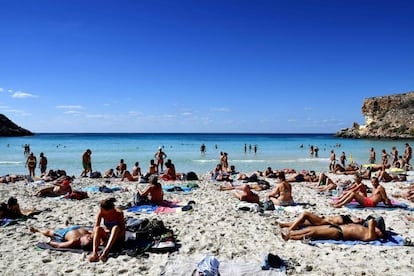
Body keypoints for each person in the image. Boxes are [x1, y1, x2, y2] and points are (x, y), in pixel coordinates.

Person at [281, 216, 387, 242]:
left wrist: (376, 227)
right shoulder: (367, 230)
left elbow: (372, 221)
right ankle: (290, 232)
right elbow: (370, 221)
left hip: (339, 232)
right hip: (338, 227)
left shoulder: (371, 236)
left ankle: (289, 237)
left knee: (313, 232)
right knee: (311, 228)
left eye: (378, 229)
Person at [89, 198, 126, 262]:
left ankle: (105, 253)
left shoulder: (119, 213)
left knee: (116, 228)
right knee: (98, 228)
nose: (100, 210)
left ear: (110, 210)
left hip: (117, 236)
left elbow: (123, 231)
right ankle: (95, 253)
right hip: (107, 235)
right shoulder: (101, 213)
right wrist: (99, 238)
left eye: (102, 209)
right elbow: (96, 227)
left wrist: (110, 239)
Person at [278, 211, 365, 230]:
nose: (358, 218)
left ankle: (290, 230)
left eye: (360, 220)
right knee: (303, 223)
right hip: (323, 219)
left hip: (323, 222)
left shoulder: (350, 223)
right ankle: (284, 225)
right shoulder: (349, 218)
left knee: (305, 214)